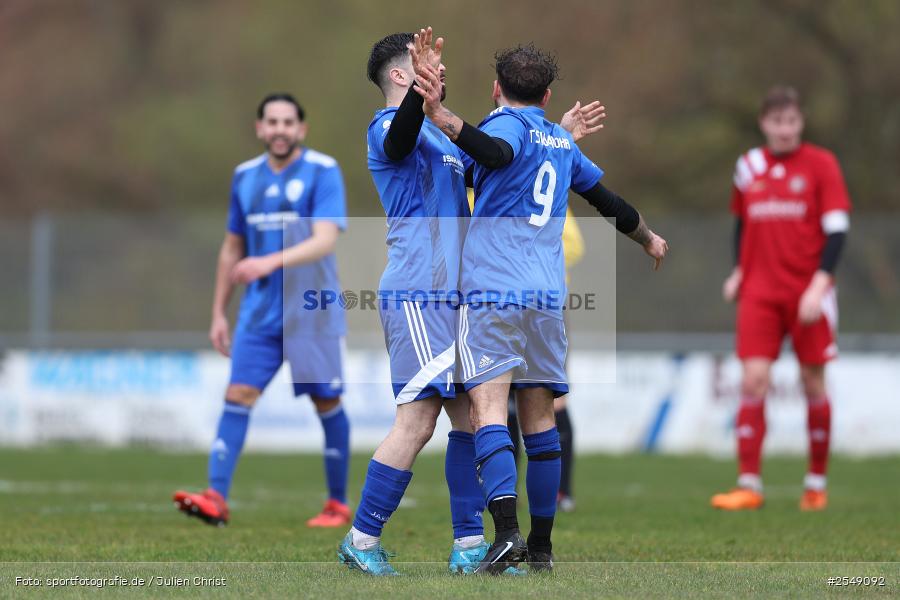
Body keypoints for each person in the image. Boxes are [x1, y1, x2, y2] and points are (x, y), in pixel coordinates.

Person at [338, 29, 602, 576]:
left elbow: (507, 160)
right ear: (401, 75)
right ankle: (361, 539)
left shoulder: (442, 135)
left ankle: (468, 544)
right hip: (420, 290)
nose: (440, 70)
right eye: (426, 64)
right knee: (417, 419)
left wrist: (559, 135)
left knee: (467, 420)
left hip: (465, 295)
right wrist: (421, 97)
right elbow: (396, 144)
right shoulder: (388, 125)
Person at [413, 41, 668, 573]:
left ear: (496, 88)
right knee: (540, 421)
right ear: (549, 95)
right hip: (547, 298)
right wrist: (648, 239)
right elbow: (610, 203)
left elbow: (498, 153)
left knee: (487, 412)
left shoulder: (503, 126)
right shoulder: (560, 141)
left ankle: (506, 535)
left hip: (494, 293)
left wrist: (439, 113)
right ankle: (544, 549)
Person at [173, 93, 351, 528]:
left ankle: (337, 503)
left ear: (301, 130)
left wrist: (269, 261)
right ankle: (215, 497)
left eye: (288, 122)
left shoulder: (323, 171)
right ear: (259, 128)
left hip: (311, 309)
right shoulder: (244, 177)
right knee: (237, 396)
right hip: (258, 312)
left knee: (326, 400)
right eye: (271, 122)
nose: (279, 130)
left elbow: (326, 238)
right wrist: (218, 312)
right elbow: (232, 247)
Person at [711, 85, 851, 512]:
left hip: (808, 294)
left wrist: (819, 284)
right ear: (764, 123)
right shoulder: (749, 166)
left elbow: (837, 231)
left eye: (792, 121)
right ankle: (749, 485)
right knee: (753, 380)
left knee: (812, 382)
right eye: (777, 122)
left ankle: (815, 484)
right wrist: (739, 270)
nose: (785, 129)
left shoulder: (822, 165)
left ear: (800, 122)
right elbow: (741, 224)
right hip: (760, 292)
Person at [507, 208, 583, 513]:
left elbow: (574, 245)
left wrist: (527, 261)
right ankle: (504, 491)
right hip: (497, 306)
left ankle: (560, 491)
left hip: (545, 306)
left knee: (550, 398)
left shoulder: (548, 187)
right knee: (501, 400)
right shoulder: (475, 187)